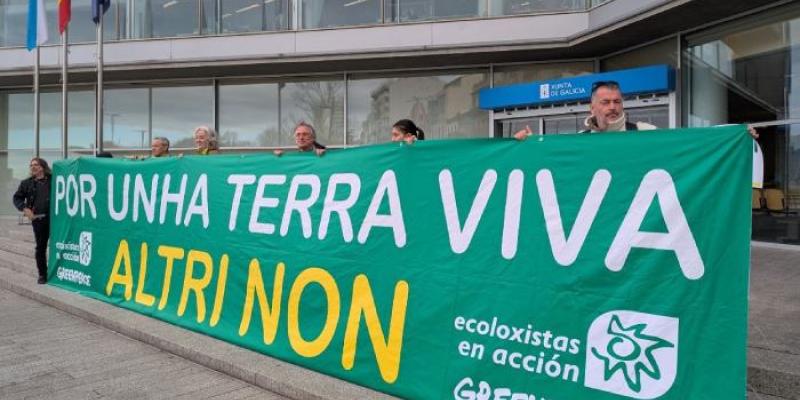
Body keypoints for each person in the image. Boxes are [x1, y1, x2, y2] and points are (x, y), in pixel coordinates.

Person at [12, 158, 52, 284]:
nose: (32, 167)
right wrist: (24, 208)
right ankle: (42, 274)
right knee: (41, 247)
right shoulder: (26, 183)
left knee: (59, 245)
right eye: (31, 165)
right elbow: (17, 198)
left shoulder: (54, 179)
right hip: (39, 220)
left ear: (43, 167)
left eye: (36, 165)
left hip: (56, 220)